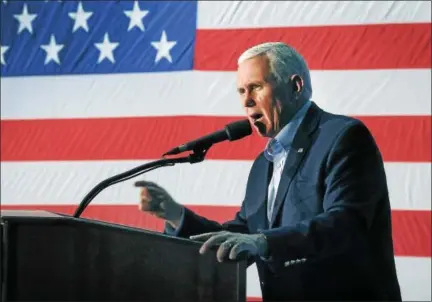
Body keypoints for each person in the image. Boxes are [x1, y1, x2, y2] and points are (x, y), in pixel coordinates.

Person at [135, 42, 402, 301]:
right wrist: (176, 216)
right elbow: (240, 236)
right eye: (241, 91)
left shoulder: (342, 137)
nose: (247, 101)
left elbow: (346, 222)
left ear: (295, 86)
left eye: (255, 87)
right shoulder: (263, 165)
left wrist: (264, 242)